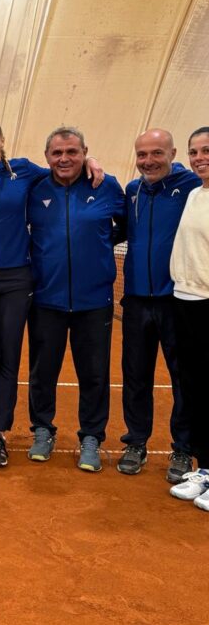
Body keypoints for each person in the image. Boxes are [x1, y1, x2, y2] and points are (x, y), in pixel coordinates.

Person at [0, 120, 103, 467]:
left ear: (2, 141)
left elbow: (63, 169)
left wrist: (93, 163)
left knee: (9, 356)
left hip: (18, 279)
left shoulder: (25, 172)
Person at [26, 127, 125, 472]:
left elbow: (125, 225)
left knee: (95, 373)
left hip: (94, 300)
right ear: (47, 157)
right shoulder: (34, 188)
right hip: (45, 299)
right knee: (42, 372)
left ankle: (92, 437)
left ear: (85, 152)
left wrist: (98, 244)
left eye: (72, 151)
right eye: (57, 153)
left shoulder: (106, 186)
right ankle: (42, 429)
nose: (64, 158)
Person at [116, 129, 199, 480]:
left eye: (156, 153)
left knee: (182, 378)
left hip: (175, 301)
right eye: (142, 155)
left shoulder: (192, 187)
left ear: (173, 153)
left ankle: (182, 449)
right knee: (135, 376)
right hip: (135, 300)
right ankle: (136, 441)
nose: (148, 161)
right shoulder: (133, 190)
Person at [169, 127, 209, 511]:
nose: (200, 157)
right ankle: (206, 467)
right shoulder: (195, 192)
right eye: (195, 151)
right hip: (184, 299)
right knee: (195, 387)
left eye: (207, 150)